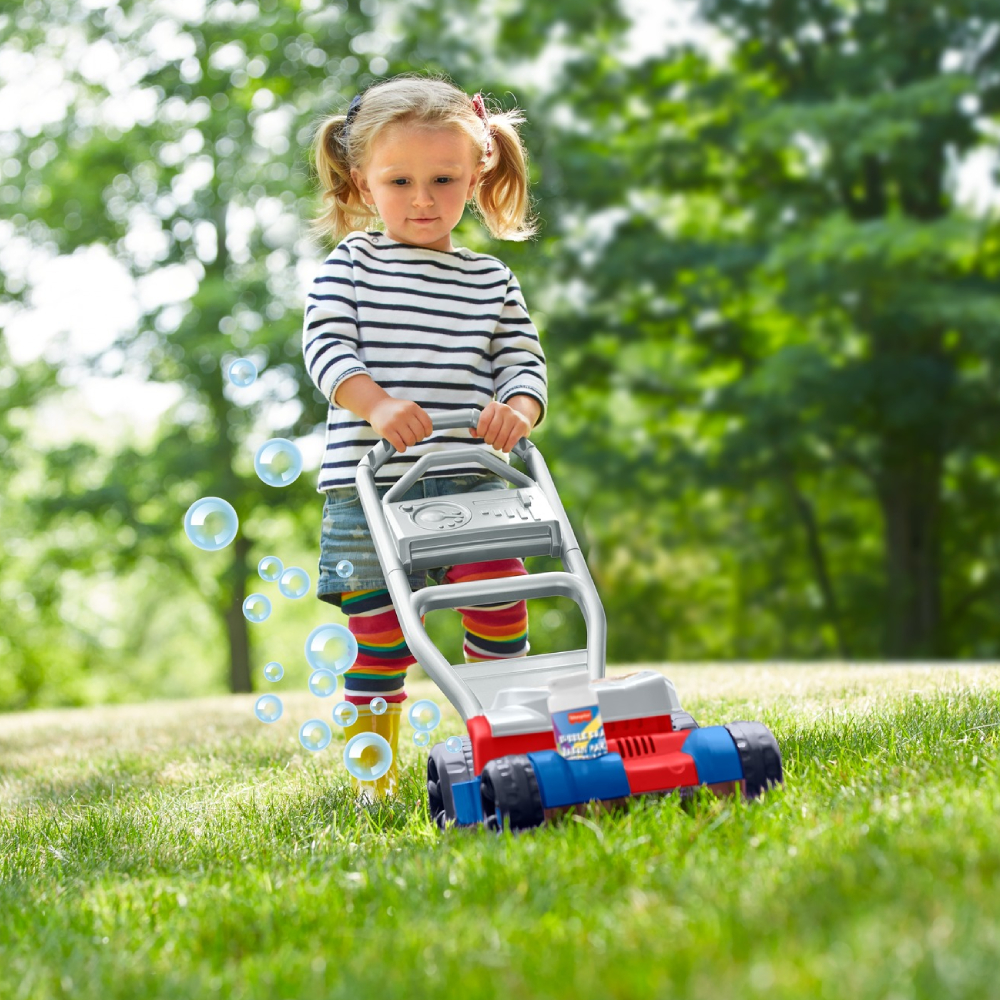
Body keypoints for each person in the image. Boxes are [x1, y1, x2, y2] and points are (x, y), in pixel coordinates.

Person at [302, 74, 547, 798]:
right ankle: (371, 782)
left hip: (475, 479)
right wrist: (373, 403)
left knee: (501, 613)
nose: (422, 198)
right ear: (362, 182)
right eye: (400, 180)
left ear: (477, 177)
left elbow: (523, 362)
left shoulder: (491, 281)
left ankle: (508, 748)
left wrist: (520, 409)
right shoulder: (351, 265)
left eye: (443, 179)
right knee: (377, 637)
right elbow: (326, 348)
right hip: (369, 487)